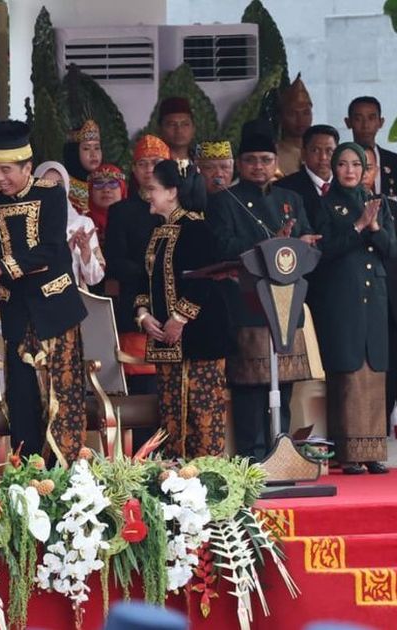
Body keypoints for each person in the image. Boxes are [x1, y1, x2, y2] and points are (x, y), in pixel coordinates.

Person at [0, 120, 88, 465]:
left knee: (61, 394)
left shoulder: (51, 195)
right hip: (16, 309)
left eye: (7, 171)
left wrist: (1, 268)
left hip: (54, 307)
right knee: (21, 394)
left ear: (27, 167)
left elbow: (50, 250)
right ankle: (27, 471)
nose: (0, 178)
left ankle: (66, 474)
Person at [208, 120, 316, 460]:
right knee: (251, 389)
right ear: (240, 164)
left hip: (287, 303)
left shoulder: (292, 199)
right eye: (252, 160)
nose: (259, 166)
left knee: (283, 388)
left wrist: (302, 243)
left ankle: (281, 452)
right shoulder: (226, 200)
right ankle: (252, 459)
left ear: (276, 163)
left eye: (266, 160)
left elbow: (308, 242)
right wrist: (267, 243)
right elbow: (223, 246)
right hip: (248, 305)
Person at [135, 160, 232, 458]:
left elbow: (205, 279)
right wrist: (143, 315)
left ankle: (207, 481)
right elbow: (144, 281)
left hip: (199, 337)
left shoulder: (197, 228)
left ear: (172, 191)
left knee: (201, 412)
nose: (147, 195)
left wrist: (178, 318)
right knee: (171, 413)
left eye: (153, 189)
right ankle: (175, 479)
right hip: (165, 339)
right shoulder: (157, 231)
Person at [311, 142, 397, 474]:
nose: (350, 170)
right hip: (340, 296)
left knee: (374, 371)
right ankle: (347, 453)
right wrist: (358, 225)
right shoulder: (324, 205)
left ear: (364, 170)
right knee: (347, 371)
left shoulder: (379, 204)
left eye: (356, 165)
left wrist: (374, 227)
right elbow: (325, 251)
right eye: (343, 164)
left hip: (373, 293)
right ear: (334, 168)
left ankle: (373, 451)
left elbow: (392, 250)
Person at [357, 145, 397, 421]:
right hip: (358, 304)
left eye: (368, 167)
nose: (361, 172)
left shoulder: (391, 206)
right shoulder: (338, 205)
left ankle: (387, 436)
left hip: (392, 306)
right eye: (355, 165)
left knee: (393, 374)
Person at [104, 135, 170, 396]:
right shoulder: (122, 210)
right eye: (142, 163)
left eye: (156, 162)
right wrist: (153, 274)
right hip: (136, 307)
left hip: (176, 311)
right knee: (143, 394)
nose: (150, 169)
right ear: (133, 169)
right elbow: (116, 261)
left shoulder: (182, 208)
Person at [345, 96, 397, 226]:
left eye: (371, 118)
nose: (365, 125)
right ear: (348, 122)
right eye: (358, 118)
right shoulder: (340, 162)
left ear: (381, 122)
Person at [33, 161, 106, 289]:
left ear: (66, 186)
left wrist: (85, 251)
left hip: (72, 300)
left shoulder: (83, 224)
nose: (53, 188)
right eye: (45, 184)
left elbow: (95, 278)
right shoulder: (28, 222)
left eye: (59, 184)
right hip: (35, 298)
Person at [273, 124, 339, 228]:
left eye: (329, 151)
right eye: (315, 150)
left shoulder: (347, 186)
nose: (323, 157)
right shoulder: (283, 188)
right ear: (303, 153)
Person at [62, 118, 103, 216]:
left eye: (97, 148)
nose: (94, 154)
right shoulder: (63, 187)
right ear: (74, 153)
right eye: (86, 148)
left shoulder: (110, 185)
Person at [276, 73, 314, 177]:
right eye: (292, 114)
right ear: (281, 117)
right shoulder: (274, 155)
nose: (300, 119)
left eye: (306, 113)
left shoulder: (321, 152)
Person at [87, 163, 127, 243]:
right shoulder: (82, 223)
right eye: (99, 184)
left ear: (122, 190)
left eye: (113, 183)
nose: (106, 189)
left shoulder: (134, 221)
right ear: (91, 191)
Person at [158, 97, 196, 172]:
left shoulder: (203, 163)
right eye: (172, 124)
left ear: (193, 129)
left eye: (185, 124)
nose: (179, 130)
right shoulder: (152, 164)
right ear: (160, 130)